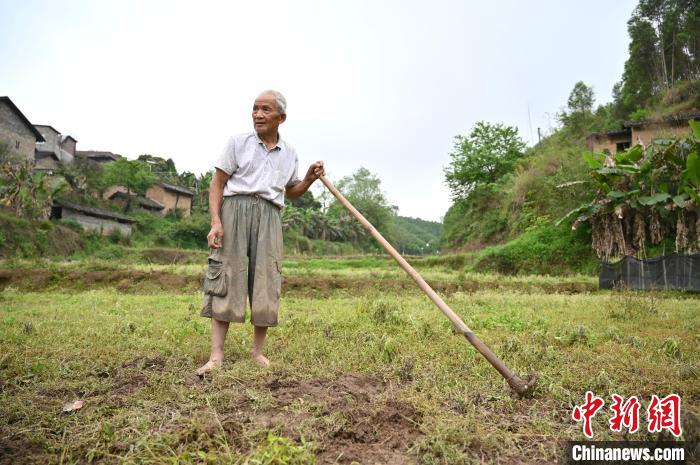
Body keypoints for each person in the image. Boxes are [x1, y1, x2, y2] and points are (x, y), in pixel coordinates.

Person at [197, 90, 324, 375]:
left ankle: (257, 353)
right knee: (226, 277)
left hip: (270, 214)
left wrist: (308, 179)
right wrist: (216, 221)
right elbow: (217, 183)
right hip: (235, 211)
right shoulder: (238, 143)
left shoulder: (289, 153)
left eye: (266, 110)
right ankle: (216, 357)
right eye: (255, 109)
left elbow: (290, 192)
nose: (258, 114)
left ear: (281, 117)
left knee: (266, 278)